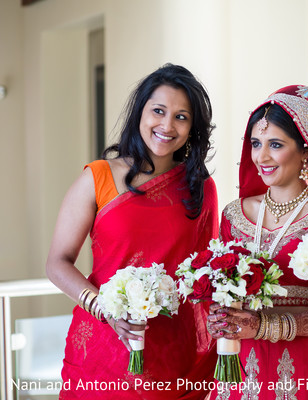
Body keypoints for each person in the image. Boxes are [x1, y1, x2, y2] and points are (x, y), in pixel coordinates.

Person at [46, 64, 218, 399]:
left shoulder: (200, 188)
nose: (167, 125)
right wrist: (104, 309)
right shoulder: (99, 177)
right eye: (158, 111)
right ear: (140, 112)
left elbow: (204, 273)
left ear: (192, 127)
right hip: (101, 347)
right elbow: (57, 262)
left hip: (173, 355)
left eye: (181, 117)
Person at [206, 85, 308, 400]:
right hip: (241, 363)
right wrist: (217, 315)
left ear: (306, 152)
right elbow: (219, 291)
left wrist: (265, 326)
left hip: (304, 366)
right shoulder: (234, 214)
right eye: (256, 143)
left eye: (275, 144)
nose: (262, 156)